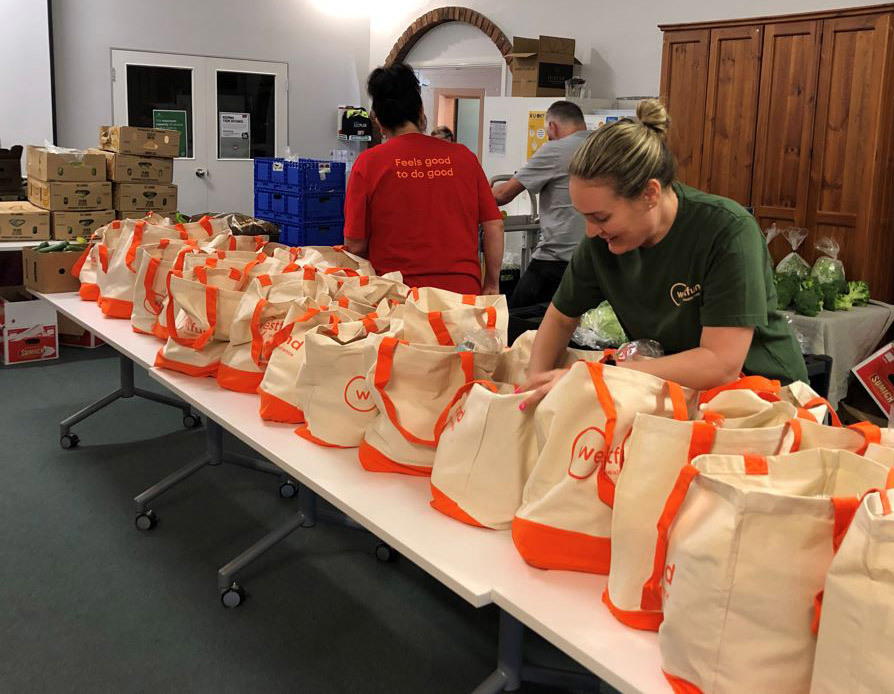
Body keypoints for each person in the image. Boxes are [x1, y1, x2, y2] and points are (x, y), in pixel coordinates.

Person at [521, 99, 808, 406]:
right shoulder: (600, 242)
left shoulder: (727, 231)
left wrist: (603, 375)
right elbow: (561, 318)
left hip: (765, 401)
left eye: (601, 218)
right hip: (678, 393)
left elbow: (721, 364)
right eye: (585, 217)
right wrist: (533, 388)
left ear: (650, 194)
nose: (590, 231)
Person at [343, 64, 503, 295]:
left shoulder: (369, 163)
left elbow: (355, 244)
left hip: (396, 295)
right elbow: (494, 226)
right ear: (420, 112)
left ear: (378, 121)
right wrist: (491, 283)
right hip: (461, 294)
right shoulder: (463, 157)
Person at [492, 101, 590, 308]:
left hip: (557, 257)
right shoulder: (603, 144)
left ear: (552, 126)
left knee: (517, 317)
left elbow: (502, 195)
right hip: (597, 258)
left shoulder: (556, 149)